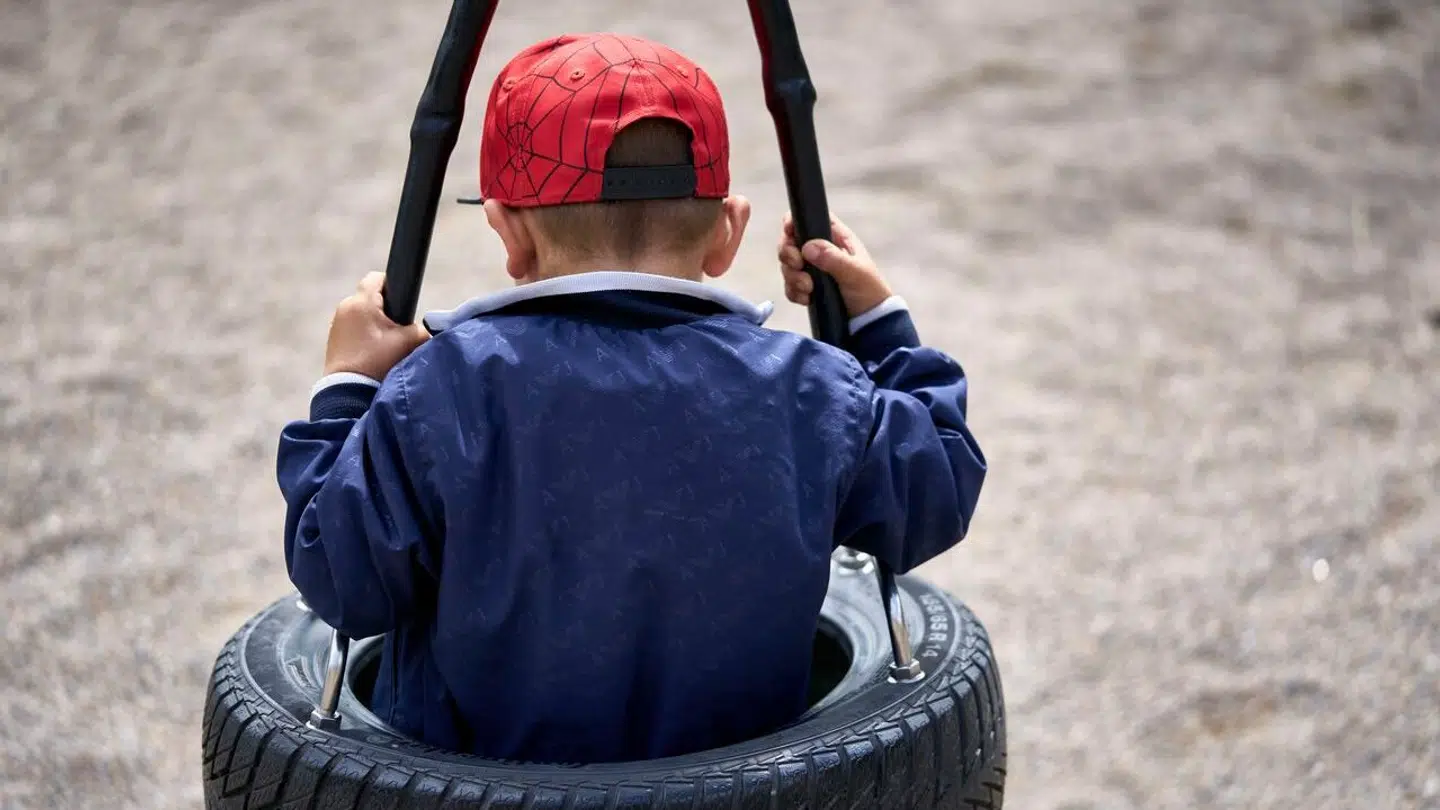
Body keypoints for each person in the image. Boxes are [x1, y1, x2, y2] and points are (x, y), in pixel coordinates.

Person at [276, 32, 986, 764]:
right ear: (727, 233)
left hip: (477, 783)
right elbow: (938, 487)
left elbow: (339, 580)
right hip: (749, 788)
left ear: (507, 233)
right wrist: (876, 322)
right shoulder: (814, 387)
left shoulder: (440, 392)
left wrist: (349, 387)